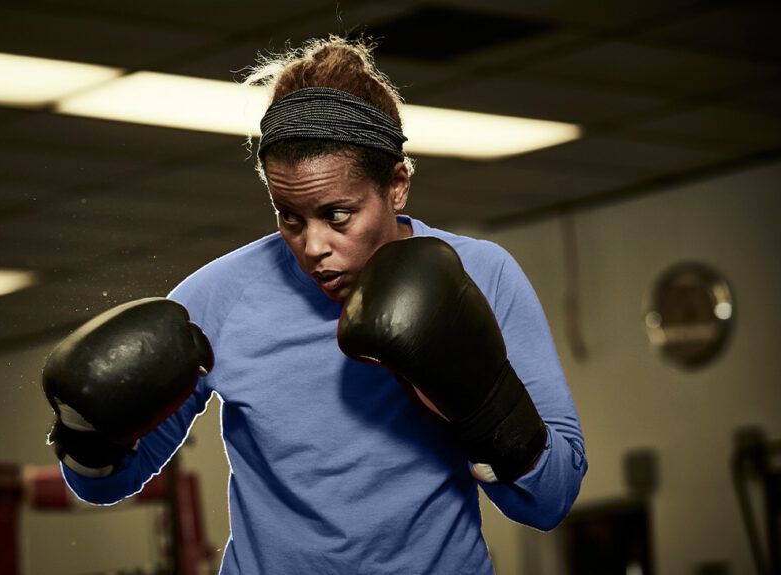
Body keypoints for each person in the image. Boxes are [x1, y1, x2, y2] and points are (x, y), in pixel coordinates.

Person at [41, 36, 587, 574]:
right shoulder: (218, 298)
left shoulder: (480, 275)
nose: (313, 246)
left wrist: (483, 408)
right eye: (290, 217)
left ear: (396, 185)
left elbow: (549, 501)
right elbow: (106, 484)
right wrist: (86, 433)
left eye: (339, 215)